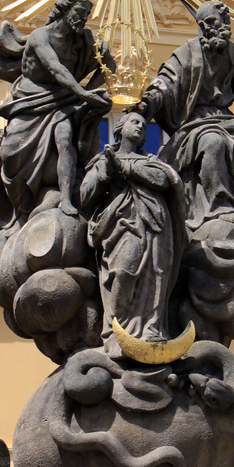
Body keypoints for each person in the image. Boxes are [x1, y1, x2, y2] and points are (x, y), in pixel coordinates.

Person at [136, 0, 234, 230]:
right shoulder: (186, 53)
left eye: (222, 21)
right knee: (214, 143)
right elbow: (166, 82)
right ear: (202, 26)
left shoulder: (233, 53)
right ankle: (217, 203)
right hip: (195, 123)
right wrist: (148, 102)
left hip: (225, 119)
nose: (218, 26)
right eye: (210, 22)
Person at [0, 0, 111, 221]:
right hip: (31, 97)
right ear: (65, 11)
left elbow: (108, 63)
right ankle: (18, 211)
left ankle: (65, 199)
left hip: (64, 98)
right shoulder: (40, 36)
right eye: (80, 13)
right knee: (11, 152)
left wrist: (89, 92)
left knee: (65, 138)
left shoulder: (83, 39)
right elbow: (56, 68)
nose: (83, 19)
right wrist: (84, 93)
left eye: (87, 15)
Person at [80, 112, 186, 351]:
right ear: (120, 128)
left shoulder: (150, 160)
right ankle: (116, 328)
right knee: (122, 270)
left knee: (157, 273)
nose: (140, 127)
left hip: (155, 224)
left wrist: (124, 168)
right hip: (120, 225)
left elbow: (163, 180)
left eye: (143, 125)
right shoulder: (104, 160)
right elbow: (85, 195)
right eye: (134, 122)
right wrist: (107, 171)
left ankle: (152, 329)